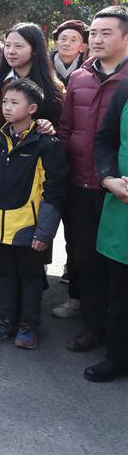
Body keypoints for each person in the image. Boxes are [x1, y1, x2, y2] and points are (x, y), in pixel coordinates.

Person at [0, 79, 68, 349]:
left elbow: (54, 191)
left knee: (30, 277)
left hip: (28, 225)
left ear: (32, 108)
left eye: (15, 102)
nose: (7, 107)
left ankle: (28, 326)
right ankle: (3, 321)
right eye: (5, 101)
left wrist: (45, 231)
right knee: (3, 274)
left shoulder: (46, 145)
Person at [58, 5, 128, 354]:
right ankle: (93, 327)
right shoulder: (79, 78)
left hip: (119, 190)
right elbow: (67, 127)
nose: (97, 40)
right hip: (81, 184)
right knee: (84, 261)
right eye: (94, 33)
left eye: (106, 33)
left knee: (118, 268)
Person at [89, 77, 128, 381]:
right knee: (120, 291)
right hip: (122, 205)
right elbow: (106, 140)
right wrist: (107, 177)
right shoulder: (125, 89)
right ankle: (117, 357)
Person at [0, 23, 64, 131]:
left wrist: (50, 127)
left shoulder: (55, 89)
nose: (10, 51)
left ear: (35, 49)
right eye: (7, 45)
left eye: (18, 46)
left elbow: (63, 126)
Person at [51, 19, 89, 87]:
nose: (67, 44)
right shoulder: (43, 63)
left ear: (82, 47)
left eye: (73, 40)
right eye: (63, 39)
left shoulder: (88, 67)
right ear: (56, 44)